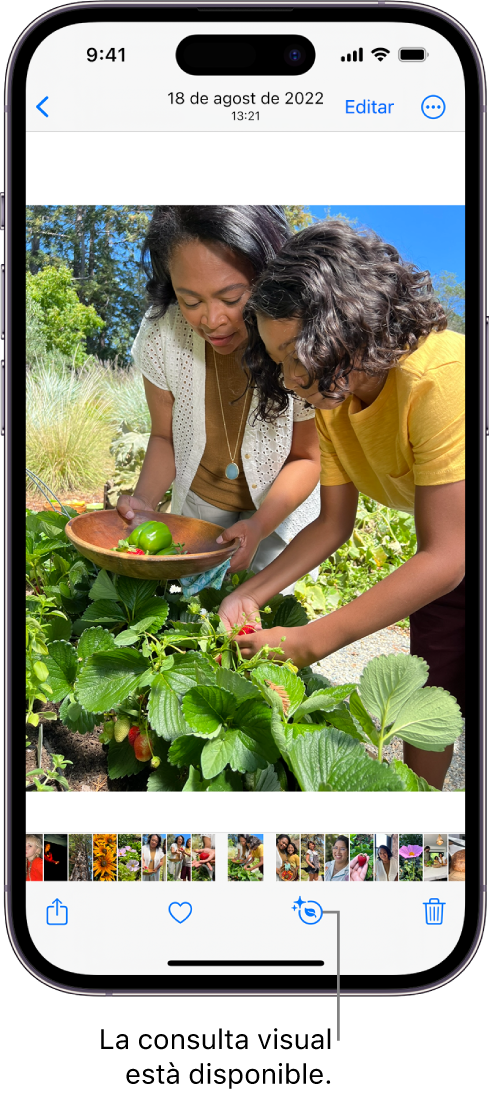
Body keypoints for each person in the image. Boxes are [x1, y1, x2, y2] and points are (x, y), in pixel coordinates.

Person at [220, 220, 465, 788]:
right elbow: (333, 523)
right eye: (277, 359)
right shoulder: (334, 398)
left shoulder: (444, 375)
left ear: (349, 321)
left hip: (458, 549)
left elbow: (447, 555)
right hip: (460, 552)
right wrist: (249, 593)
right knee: (431, 703)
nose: (288, 376)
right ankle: (420, 825)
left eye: (296, 353)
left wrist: (313, 638)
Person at [117, 206, 321, 582]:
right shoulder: (162, 332)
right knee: (193, 610)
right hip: (200, 502)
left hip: (280, 512)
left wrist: (259, 525)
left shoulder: (298, 339)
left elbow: (306, 458)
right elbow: (165, 437)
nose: (211, 320)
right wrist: (144, 502)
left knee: (264, 618)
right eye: (190, 301)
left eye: (231, 299)